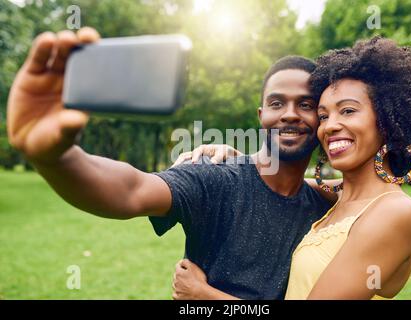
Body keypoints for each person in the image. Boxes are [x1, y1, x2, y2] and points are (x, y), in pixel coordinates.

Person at [7, 27, 337, 299]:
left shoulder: (323, 207)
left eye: (305, 104)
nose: (291, 114)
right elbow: (131, 190)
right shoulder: (216, 178)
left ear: (321, 117)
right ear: (262, 115)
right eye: (277, 103)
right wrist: (56, 159)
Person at [171, 36, 411, 299]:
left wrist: (203, 294)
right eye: (323, 115)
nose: (330, 125)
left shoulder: (394, 211)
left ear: (386, 120)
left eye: (347, 111)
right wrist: (241, 160)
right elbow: (276, 183)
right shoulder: (341, 196)